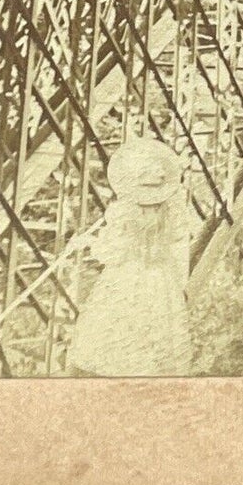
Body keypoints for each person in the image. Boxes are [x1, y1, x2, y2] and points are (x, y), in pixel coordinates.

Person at [67, 137, 193, 377]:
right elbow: (178, 242)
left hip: (129, 274)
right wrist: (179, 282)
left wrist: (88, 242)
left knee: (119, 328)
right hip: (161, 277)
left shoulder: (125, 211)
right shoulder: (171, 207)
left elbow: (111, 251)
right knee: (157, 331)